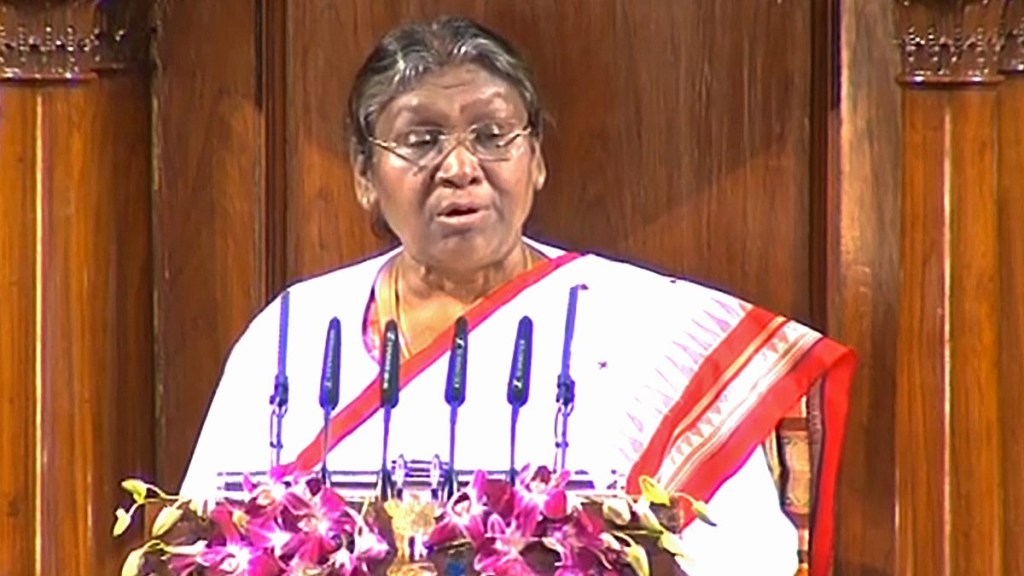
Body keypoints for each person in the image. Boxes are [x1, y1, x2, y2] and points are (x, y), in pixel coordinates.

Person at [182, 16, 854, 576]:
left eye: (492, 135)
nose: (460, 168)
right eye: (421, 140)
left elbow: (745, 555)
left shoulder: (649, 331)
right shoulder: (293, 333)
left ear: (536, 160)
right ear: (364, 173)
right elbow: (207, 546)